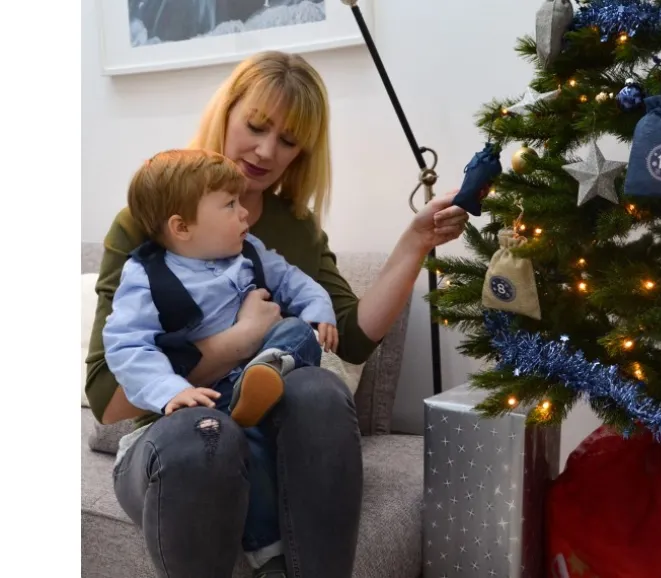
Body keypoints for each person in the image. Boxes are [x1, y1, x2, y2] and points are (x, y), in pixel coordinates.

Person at [84, 50, 469, 578]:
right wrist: (240, 341)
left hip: (269, 436)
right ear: (227, 114)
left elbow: (351, 338)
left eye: (288, 140)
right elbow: (107, 397)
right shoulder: (152, 220)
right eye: (257, 126)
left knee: (319, 389)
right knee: (205, 433)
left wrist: (415, 243)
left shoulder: (294, 230)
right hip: (169, 435)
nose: (267, 151)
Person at [103, 148, 339, 429]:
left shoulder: (249, 250)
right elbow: (128, 346)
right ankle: (249, 399)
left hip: (272, 381)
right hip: (211, 395)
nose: (244, 212)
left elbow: (291, 279)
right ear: (182, 227)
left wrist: (317, 307)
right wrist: (170, 390)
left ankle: (264, 373)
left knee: (298, 331)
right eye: (230, 204)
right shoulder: (146, 276)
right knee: (217, 435)